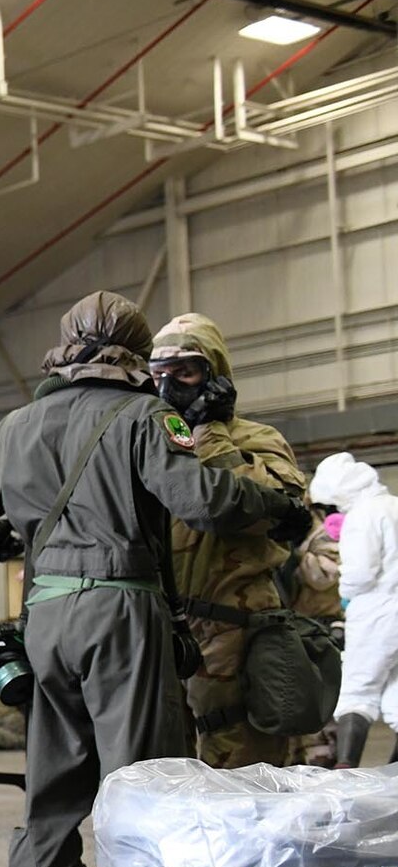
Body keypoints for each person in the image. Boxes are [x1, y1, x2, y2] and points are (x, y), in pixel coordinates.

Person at [0, 292, 308, 867]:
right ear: (135, 354)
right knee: (146, 777)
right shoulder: (148, 415)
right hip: (123, 612)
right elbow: (203, 499)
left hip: (44, 618)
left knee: (52, 780)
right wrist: (276, 505)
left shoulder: (14, 425)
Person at [150, 313, 308, 768]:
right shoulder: (152, 444)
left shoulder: (256, 439)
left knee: (242, 772)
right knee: (165, 772)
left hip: (236, 629)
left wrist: (211, 434)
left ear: (214, 373)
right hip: (164, 632)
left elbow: (277, 511)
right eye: (158, 374)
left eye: (185, 372)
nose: (168, 387)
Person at [307, 451, 398, 768]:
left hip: (376, 611)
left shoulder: (362, 515)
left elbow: (360, 574)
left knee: (357, 691)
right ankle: (392, 777)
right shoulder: (393, 505)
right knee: (396, 695)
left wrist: (346, 597)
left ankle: (345, 774)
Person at [283, 512, 344, 766]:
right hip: (291, 628)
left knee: (323, 706)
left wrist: (294, 554)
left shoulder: (318, 534)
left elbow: (324, 576)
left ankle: (327, 765)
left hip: (319, 629)